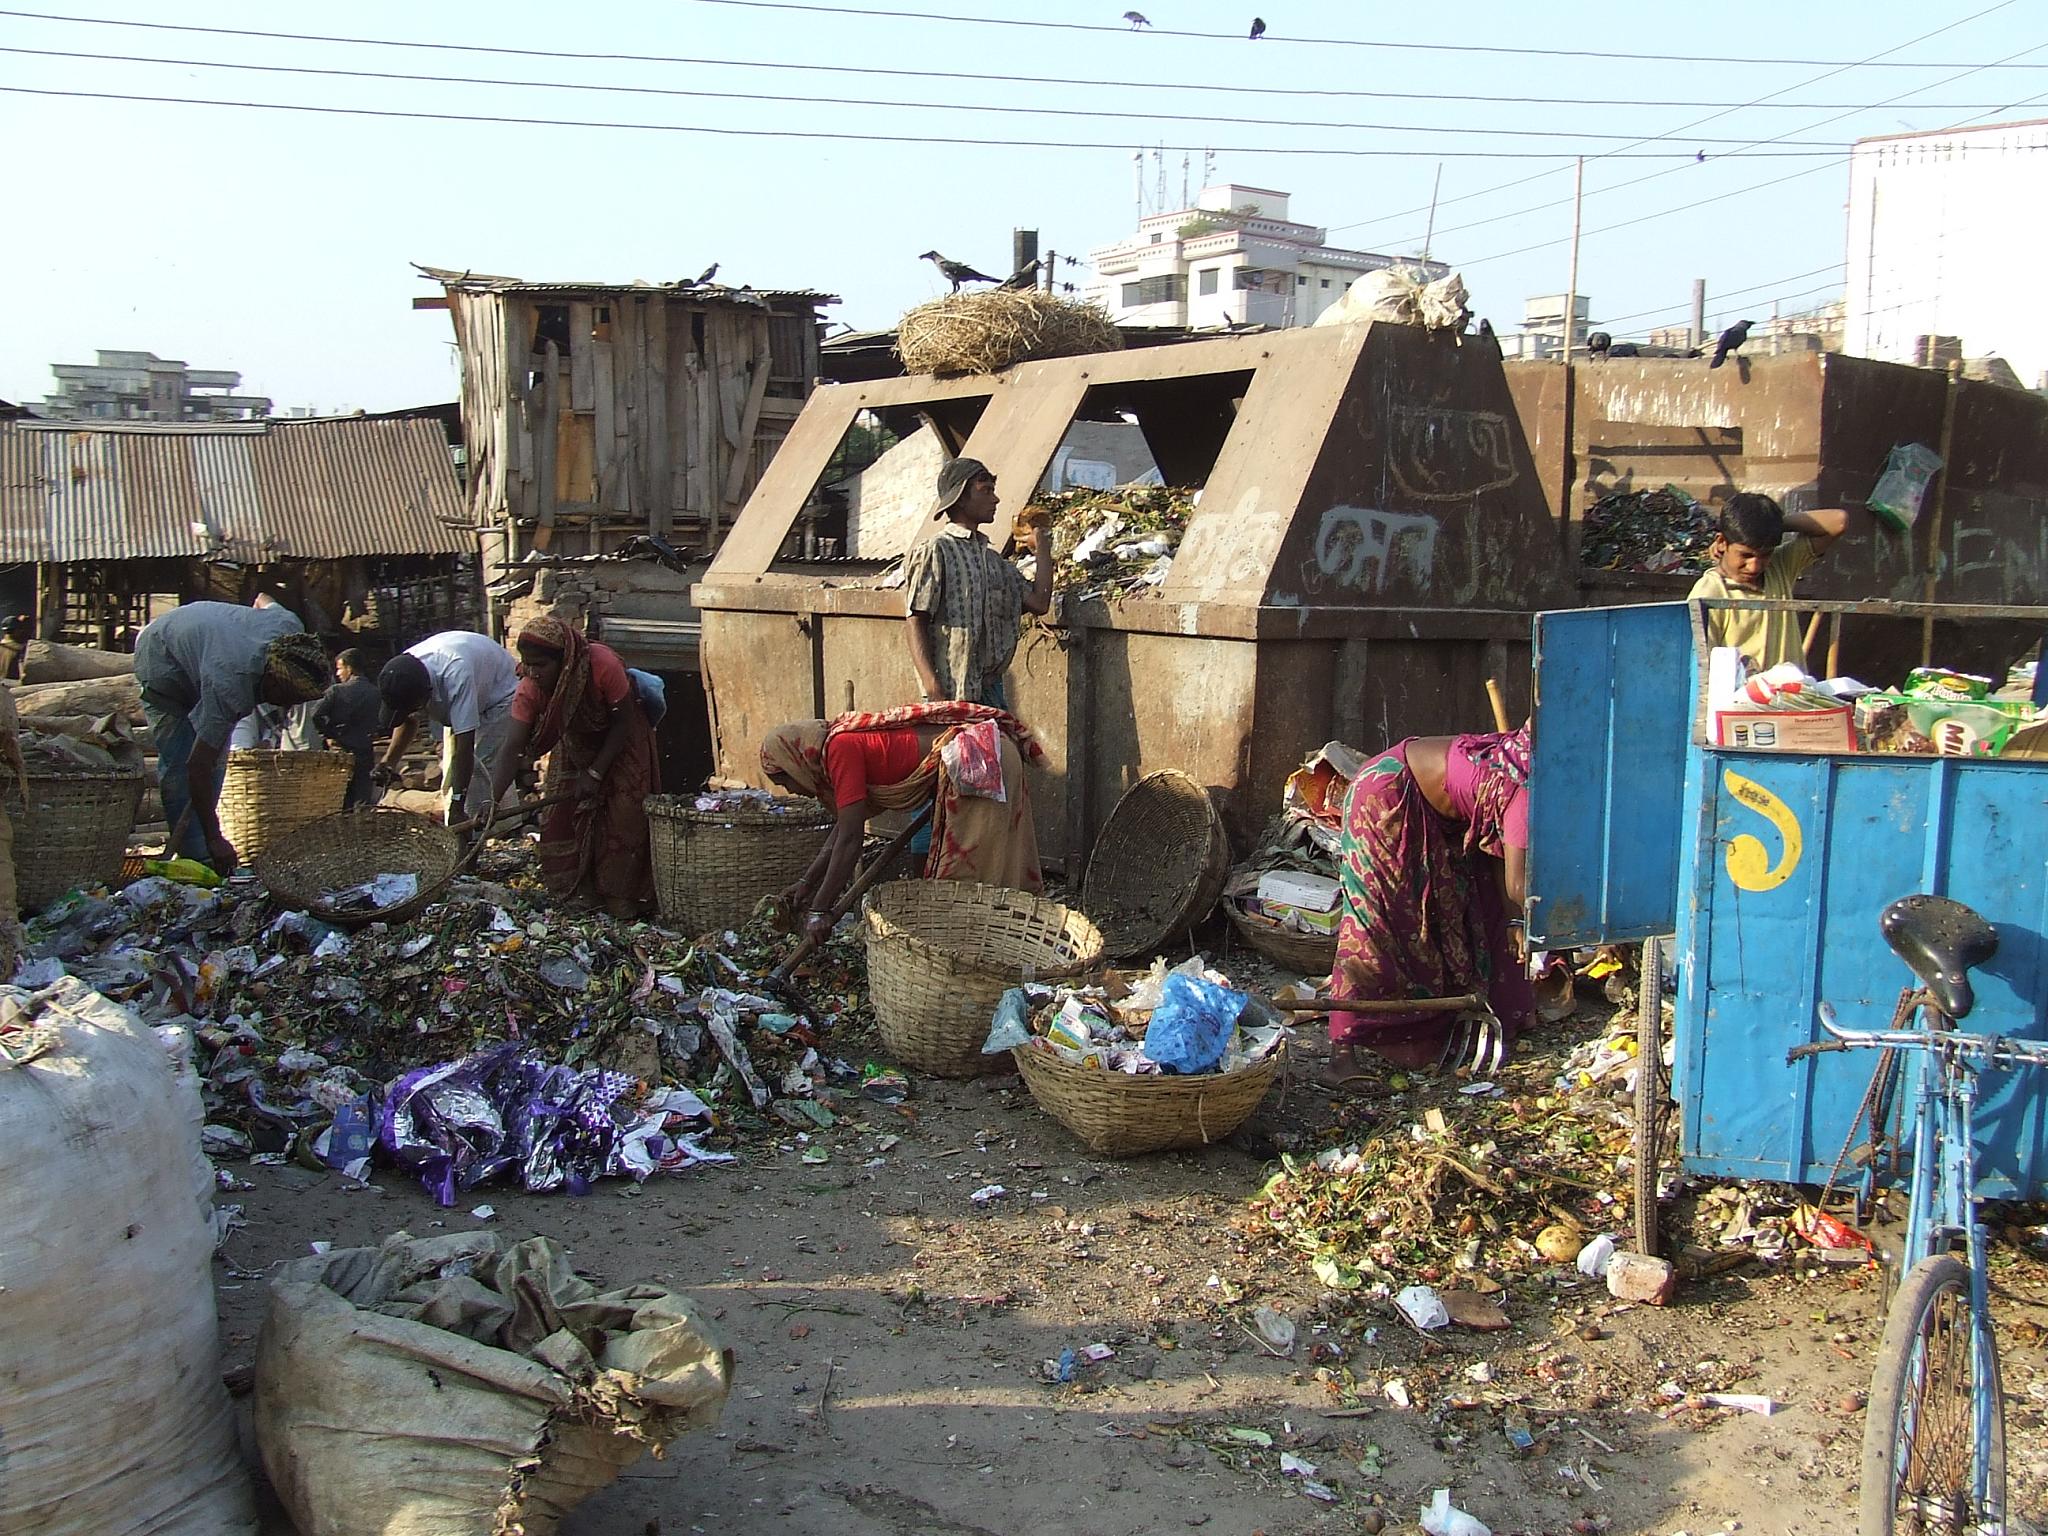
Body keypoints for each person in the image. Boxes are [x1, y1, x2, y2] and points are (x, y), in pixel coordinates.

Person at [1323, 727, 1534, 1084]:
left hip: (1439, 813)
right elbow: (1518, 886)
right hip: (1386, 796)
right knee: (1380, 924)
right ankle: (1341, 1055)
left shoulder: (1523, 763)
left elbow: (1499, 863)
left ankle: (1496, 1010)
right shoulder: (1526, 793)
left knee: (1474, 904)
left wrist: (1517, 923)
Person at [759, 701, 1043, 944]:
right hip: (977, 755)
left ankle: (988, 943)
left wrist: (820, 910)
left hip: (979, 757)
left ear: (794, 762)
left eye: (785, 781)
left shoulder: (840, 750)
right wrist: (807, 885)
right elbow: (841, 834)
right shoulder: (833, 753)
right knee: (973, 875)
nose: (792, 791)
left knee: (968, 873)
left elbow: (850, 840)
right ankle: (989, 937)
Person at [132, 600, 331, 872]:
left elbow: (264, 598)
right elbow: (197, 766)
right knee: (181, 765)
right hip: (161, 657)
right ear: (272, 681)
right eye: (289, 698)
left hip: (202, 639)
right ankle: (197, 858)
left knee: (218, 763)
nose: (290, 706)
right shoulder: (231, 685)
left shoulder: (289, 627)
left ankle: (205, 846)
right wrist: (215, 839)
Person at [485, 616, 661, 919]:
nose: (533, 673)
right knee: (562, 816)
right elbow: (512, 747)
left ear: (563, 661)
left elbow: (623, 722)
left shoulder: (602, 665)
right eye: (528, 665)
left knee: (625, 817)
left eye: (540, 665)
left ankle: (622, 896)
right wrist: (491, 802)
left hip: (623, 737)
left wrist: (595, 772)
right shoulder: (530, 689)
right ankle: (581, 892)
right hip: (576, 740)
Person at [903, 457, 1053, 708]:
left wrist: (1042, 551)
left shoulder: (995, 562)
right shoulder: (936, 551)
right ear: (961, 497)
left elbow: (1039, 602)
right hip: (950, 692)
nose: (995, 499)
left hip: (990, 692)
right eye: (986, 491)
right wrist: (932, 686)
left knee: (997, 747)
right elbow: (915, 619)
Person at [1687, 493, 1851, 671]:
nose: (1754, 566)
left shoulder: (1779, 567)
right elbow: (1701, 669)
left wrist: (1774, 524)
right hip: (1741, 698)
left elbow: (1838, 521)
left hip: (1791, 696)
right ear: (1721, 542)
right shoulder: (1709, 593)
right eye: (1746, 555)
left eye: (1765, 554)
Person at [374, 630, 519, 826]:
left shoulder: (456, 675)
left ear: (424, 698)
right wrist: (388, 762)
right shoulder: (403, 672)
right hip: (472, 683)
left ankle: (494, 832)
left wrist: (458, 808)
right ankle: (472, 823)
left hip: (500, 694)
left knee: (481, 767)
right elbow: (408, 720)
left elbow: (465, 748)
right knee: (452, 777)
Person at [313, 648, 384, 810]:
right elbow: (382, 722)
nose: (337, 674)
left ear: (349, 668)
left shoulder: (336, 691)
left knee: (339, 797)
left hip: (340, 750)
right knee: (362, 797)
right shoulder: (375, 693)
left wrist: (328, 735)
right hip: (364, 750)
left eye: (339, 668)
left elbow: (315, 715)